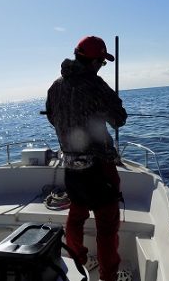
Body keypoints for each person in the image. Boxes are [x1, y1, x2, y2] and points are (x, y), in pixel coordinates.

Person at [46, 36, 127, 281]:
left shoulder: (55, 86)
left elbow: (51, 116)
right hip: (99, 168)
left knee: (77, 214)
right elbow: (118, 119)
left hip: (71, 167)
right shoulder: (95, 85)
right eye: (101, 62)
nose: (101, 66)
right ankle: (108, 277)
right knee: (107, 225)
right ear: (93, 61)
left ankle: (79, 261)